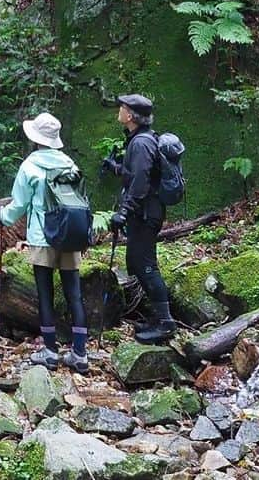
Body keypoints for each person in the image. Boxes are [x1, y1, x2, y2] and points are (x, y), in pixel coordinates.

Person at [0, 112, 89, 373]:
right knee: (74, 294)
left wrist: (0, 217)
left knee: (45, 295)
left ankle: (50, 352)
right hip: (70, 236)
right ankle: (80, 354)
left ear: (36, 138)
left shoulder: (30, 166)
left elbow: (18, 206)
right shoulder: (69, 163)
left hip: (42, 237)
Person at [103, 93, 177, 344]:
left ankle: (166, 323)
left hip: (145, 214)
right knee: (137, 262)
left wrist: (124, 211)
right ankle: (159, 318)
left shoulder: (141, 143)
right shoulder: (140, 140)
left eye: (122, 108)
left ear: (131, 115)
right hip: (144, 213)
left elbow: (141, 182)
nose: (119, 111)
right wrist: (115, 167)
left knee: (145, 265)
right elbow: (135, 174)